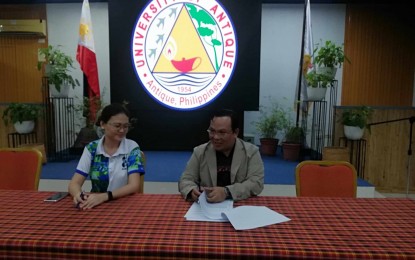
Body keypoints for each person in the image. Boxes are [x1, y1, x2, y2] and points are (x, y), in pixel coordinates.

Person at [68, 103, 145, 209]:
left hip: (124, 204)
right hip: (96, 205)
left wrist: (105, 196)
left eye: (125, 126)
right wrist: (78, 195)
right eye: (117, 126)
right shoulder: (92, 149)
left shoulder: (131, 147)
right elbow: (74, 183)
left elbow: (134, 186)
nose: (122, 130)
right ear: (103, 124)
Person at [178, 109, 264, 203]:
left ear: (235, 132)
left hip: (240, 204)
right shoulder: (200, 152)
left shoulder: (251, 152)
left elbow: (256, 183)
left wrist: (226, 192)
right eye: (212, 131)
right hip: (208, 206)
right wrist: (191, 190)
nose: (215, 137)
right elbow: (186, 179)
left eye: (222, 132)